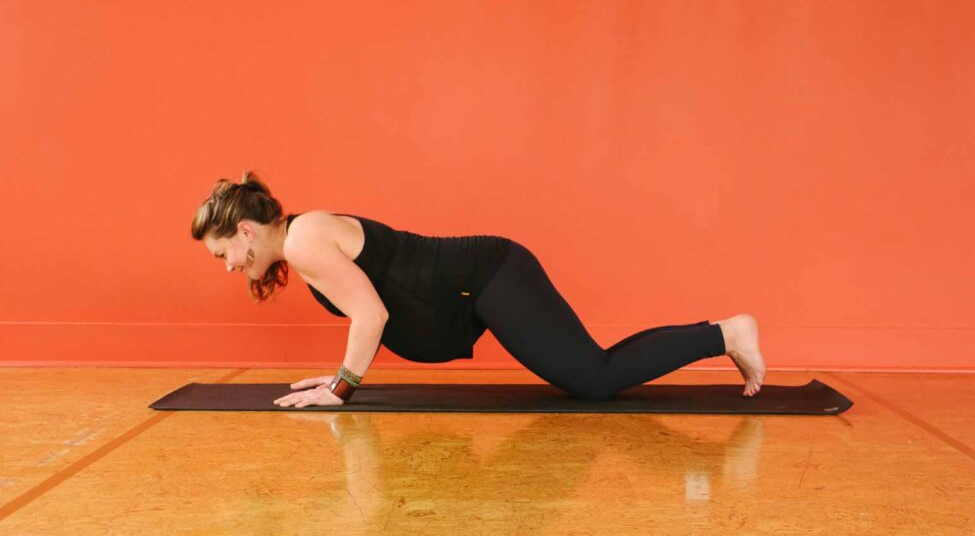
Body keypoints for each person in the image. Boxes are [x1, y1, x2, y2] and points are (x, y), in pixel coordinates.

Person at [193, 172, 766, 408]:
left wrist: (340, 388)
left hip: (490, 275)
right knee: (592, 372)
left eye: (223, 254)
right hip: (479, 286)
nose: (227, 267)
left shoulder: (303, 241)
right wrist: (337, 373)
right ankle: (721, 333)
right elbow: (371, 302)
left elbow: (370, 315)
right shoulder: (305, 233)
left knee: (594, 377)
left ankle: (726, 333)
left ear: (244, 230)